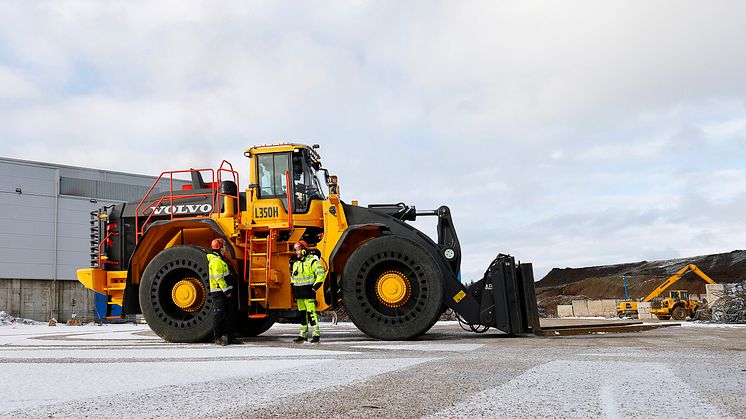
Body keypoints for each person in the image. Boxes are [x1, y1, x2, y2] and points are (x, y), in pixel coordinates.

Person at [290, 240, 326, 343]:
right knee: (302, 314)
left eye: (297, 250)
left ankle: (316, 335)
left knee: (311, 314)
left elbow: (320, 274)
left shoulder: (312, 262)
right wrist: (294, 291)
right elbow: (293, 278)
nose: (296, 252)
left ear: (304, 251)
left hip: (309, 293)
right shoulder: (296, 264)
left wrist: (315, 287)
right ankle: (303, 335)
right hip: (299, 294)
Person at [207, 238, 237, 345]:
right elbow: (219, 278)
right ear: (219, 248)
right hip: (219, 293)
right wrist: (226, 291)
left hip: (224, 292)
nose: (225, 248)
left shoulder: (221, 260)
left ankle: (230, 337)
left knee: (229, 315)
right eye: (224, 246)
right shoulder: (216, 262)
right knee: (219, 315)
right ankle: (217, 338)